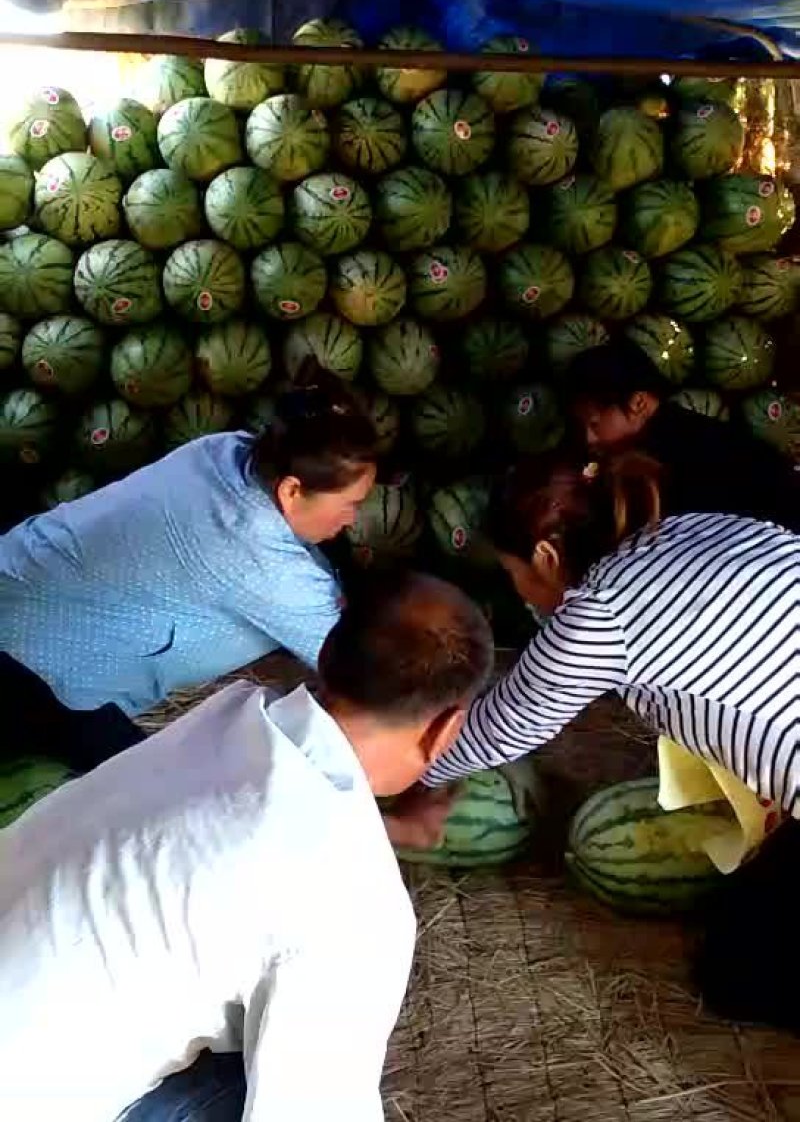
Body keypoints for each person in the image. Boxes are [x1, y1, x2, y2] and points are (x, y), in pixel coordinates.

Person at [0, 570, 493, 1122]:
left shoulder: (231, 718)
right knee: (245, 1080)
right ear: (448, 729)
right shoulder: (356, 899)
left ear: (326, 653)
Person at [419, 452, 798, 1029]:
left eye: (512, 571)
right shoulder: (683, 526)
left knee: (734, 976)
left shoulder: (599, 614)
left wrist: (401, 774)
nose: (518, 589)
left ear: (545, 556)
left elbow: (499, 730)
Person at [0, 374, 378, 771]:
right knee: (149, 803)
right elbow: (360, 672)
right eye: (350, 503)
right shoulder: (255, 553)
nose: (353, 519)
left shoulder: (224, 450)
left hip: (16, 574)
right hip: (38, 676)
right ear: (291, 491)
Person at [563, 336, 800, 532]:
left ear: (638, 403)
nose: (589, 439)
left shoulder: (670, 464)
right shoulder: (698, 434)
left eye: (594, 424)